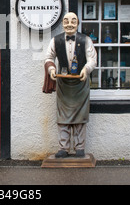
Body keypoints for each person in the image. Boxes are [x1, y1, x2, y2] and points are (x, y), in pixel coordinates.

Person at [44, 12, 97, 158]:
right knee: (63, 118)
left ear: (78, 23)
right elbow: (48, 57)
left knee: (80, 117)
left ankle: (80, 148)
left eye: (73, 21)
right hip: (63, 85)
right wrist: (51, 69)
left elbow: (92, 59)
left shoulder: (86, 40)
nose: (69, 24)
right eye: (66, 21)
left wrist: (86, 69)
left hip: (81, 85)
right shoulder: (55, 40)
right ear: (62, 23)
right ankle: (64, 148)